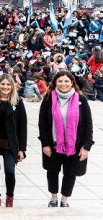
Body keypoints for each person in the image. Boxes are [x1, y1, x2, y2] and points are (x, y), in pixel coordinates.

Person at [38, 70, 94, 208]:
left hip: (74, 145)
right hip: (53, 144)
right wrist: (45, 144)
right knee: (52, 171)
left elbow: (88, 124)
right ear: (55, 82)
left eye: (67, 81)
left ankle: (64, 199)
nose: (63, 84)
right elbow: (42, 123)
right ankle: (54, 197)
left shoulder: (81, 100)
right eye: (60, 81)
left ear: (72, 83)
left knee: (70, 172)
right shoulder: (48, 99)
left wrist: (86, 146)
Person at [0, 74, 27, 207]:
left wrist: (22, 149)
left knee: (10, 171)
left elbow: (22, 126)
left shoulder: (18, 101)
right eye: (2, 84)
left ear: (12, 86)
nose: (5, 87)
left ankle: (10, 197)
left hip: (10, 143)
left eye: (8, 84)